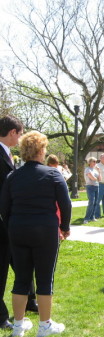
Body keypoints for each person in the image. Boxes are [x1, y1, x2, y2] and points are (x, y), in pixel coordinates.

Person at [0, 131, 71, 337]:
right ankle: (45, 325)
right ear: (41, 151)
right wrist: (65, 227)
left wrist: (14, 223)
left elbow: (4, 207)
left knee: (20, 279)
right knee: (44, 278)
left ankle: (19, 326)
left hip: (18, 229)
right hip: (45, 231)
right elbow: (65, 205)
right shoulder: (53, 174)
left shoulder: (13, 176)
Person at [0, 115, 23, 330]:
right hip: (2, 223)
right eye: (20, 133)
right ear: (13, 132)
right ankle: (1, 317)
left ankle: (31, 301)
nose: (20, 138)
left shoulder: (7, 154)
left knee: (19, 266)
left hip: (10, 223)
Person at [83, 157, 101, 224]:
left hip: (96, 186)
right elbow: (92, 178)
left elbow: (100, 179)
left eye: (95, 161)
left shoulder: (95, 170)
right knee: (91, 202)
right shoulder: (87, 169)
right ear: (89, 162)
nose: (95, 163)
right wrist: (96, 178)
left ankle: (92, 217)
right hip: (90, 187)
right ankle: (86, 218)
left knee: (96, 202)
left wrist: (99, 171)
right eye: (94, 161)